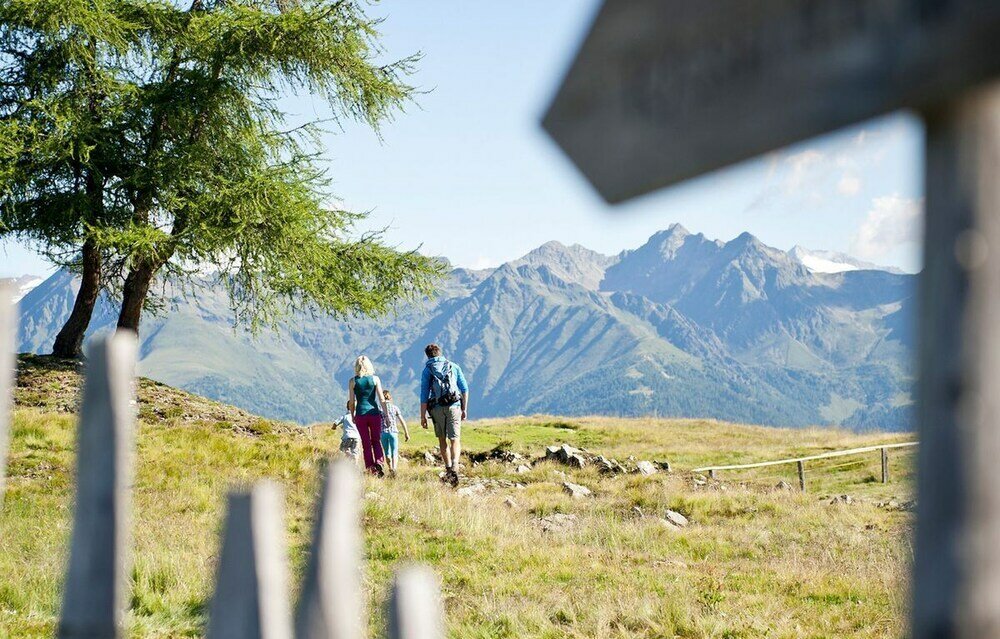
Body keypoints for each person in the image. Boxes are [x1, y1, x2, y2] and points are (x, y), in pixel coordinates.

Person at [419, 343, 468, 485]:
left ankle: (448, 469)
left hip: (437, 408)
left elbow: (424, 394)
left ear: (427, 355)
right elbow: (464, 388)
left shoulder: (427, 370)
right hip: (454, 406)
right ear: (440, 352)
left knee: (442, 439)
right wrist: (464, 408)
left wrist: (423, 416)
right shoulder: (453, 366)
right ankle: (455, 465)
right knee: (455, 439)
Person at [348, 355, 390, 475]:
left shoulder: (353, 381)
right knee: (376, 440)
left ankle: (371, 469)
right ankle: (379, 462)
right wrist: (386, 415)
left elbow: (352, 402)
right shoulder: (375, 379)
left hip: (360, 414)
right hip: (374, 413)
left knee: (366, 443)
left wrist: (352, 415)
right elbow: (382, 399)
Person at [380, 389, 409, 476]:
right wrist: (406, 433)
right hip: (393, 432)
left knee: (387, 452)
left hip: (383, 433)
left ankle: (389, 466)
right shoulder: (395, 408)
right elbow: (402, 421)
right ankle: (394, 468)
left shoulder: (379, 409)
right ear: (390, 397)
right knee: (394, 452)